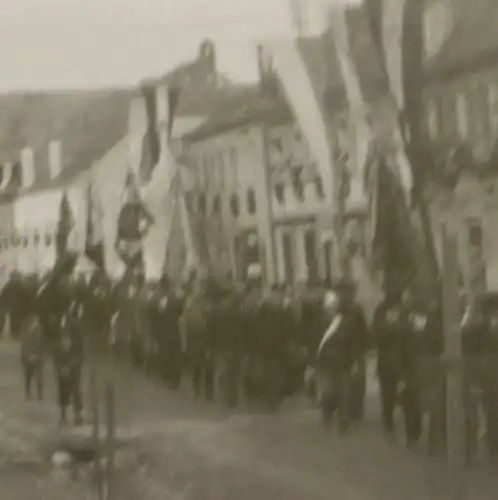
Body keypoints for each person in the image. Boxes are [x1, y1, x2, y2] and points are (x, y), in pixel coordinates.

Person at [20, 314, 45, 401]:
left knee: (39, 377)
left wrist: (36, 355)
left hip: (37, 358)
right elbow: (24, 345)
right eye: (34, 321)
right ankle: (28, 394)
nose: (35, 323)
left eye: (36, 321)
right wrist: (27, 356)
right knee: (28, 377)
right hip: (28, 358)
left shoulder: (40, 332)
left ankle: (40, 395)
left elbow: (42, 346)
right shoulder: (26, 331)